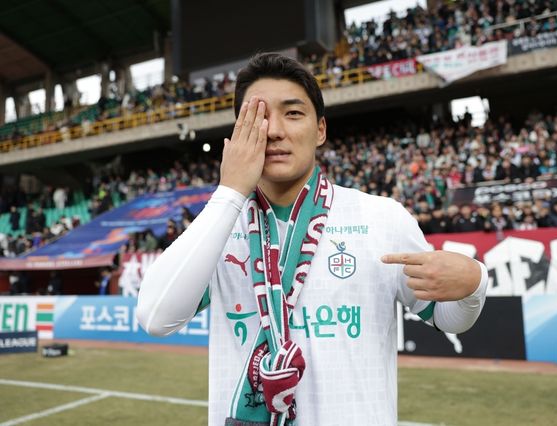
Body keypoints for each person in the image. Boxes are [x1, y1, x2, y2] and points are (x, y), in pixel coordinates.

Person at [137, 53, 488, 426]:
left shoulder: (382, 218)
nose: (274, 130)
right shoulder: (220, 226)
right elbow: (156, 317)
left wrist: (474, 283)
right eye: (259, 116)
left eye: (293, 113)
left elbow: (449, 319)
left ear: (320, 129)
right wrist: (230, 191)